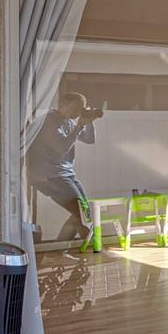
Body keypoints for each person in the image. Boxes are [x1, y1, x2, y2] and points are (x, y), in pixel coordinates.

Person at [27, 92, 104, 244]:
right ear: (61, 104)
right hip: (48, 175)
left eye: (80, 110)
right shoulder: (49, 121)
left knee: (84, 211)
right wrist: (79, 126)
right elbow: (61, 148)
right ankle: (89, 246)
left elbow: (90, 140)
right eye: (74, 109)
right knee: (81, 212)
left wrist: (89, 120)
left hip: (65, 173)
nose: (76, 113)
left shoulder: (69, 122)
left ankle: (60, 248)